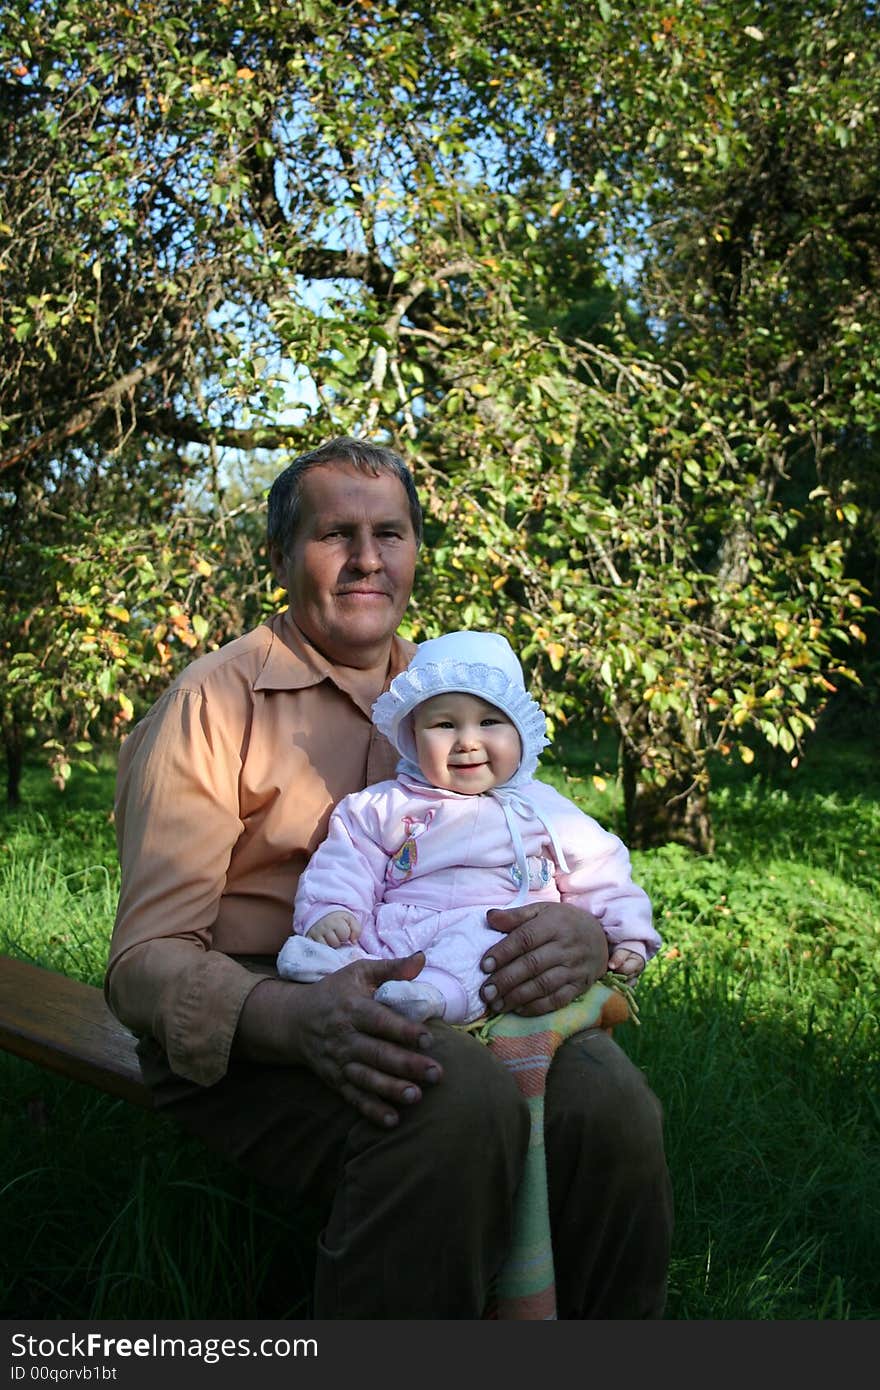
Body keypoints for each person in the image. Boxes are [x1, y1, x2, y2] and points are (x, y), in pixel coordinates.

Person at [105, 435, 673, 1319]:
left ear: (415, 551)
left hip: (462, 986)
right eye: (336, 533)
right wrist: (295, 1020)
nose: (368, 558)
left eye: (391, 533)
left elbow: (554, 837)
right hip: (263, 1004)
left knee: (612, 1106)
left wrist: (588, 934)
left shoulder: (456, 689)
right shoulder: (212, 704)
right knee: (451, 1103)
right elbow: (143, 963)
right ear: (283, 555)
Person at [277, 629, 661, 1025]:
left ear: (521, 731)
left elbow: (601, 869)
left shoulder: (544, 811)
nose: (467, 742)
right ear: (412, 735)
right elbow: (347, 858)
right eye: (444, 725)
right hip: (403, 927)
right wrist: (333, 909)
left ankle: (435, 996)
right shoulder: (385, 805)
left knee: (484, 948)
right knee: (366, 940)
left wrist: (626, 933)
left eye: (490, 721)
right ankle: (333, 963)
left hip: (494, 926)